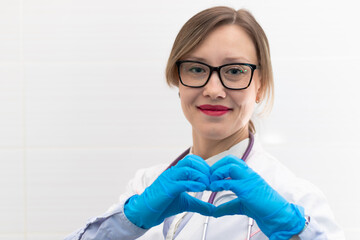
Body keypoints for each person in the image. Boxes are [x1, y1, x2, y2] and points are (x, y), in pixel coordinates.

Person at [65, 6, 345, 240]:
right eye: (197, 69)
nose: (213, 89)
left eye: (234, 71)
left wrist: (297, 232)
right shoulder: (146, 186)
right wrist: (126, 223)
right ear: (178, 80)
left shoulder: (292, 196)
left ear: (260, 86)